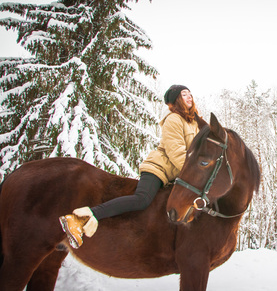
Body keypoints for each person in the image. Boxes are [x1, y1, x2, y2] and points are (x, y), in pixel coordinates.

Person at [59, 85, 200, 249]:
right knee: (142, 200)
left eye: (190, 94)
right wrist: (194, 176)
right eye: (184, 94)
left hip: (176, 175)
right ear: (176, 100)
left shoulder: (194, 123)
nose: (189, 97)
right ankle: (83, 217)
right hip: (159, 168)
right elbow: (176, 153)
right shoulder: (174, 119)